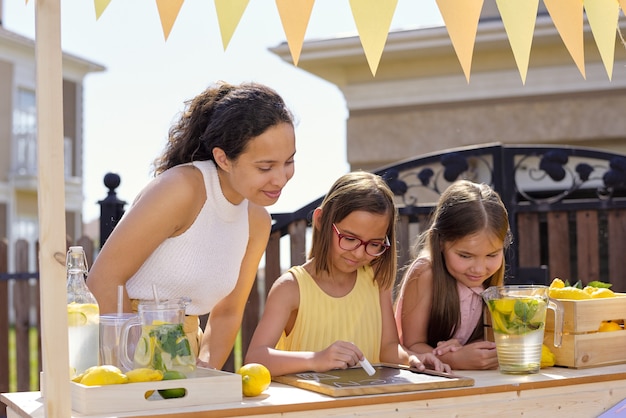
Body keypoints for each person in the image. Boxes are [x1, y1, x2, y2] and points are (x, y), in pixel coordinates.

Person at [87, 81, 296, 370]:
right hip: (117, 347)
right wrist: (134, 368)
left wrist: (205, 371)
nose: (281, 178)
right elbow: (104, 280)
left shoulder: (257, 220)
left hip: (183, 350)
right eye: (265, 167)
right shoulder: (181, 189)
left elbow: (227, 312)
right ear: (223, 158)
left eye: (289, 162)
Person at [245, 171, 450, 376]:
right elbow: (255, 358)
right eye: (350, 239)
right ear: (321, 220)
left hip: (365, 402)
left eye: (374, 244)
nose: (359, 253)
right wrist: (317, 359)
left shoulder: (376, 281)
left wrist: (412, 358)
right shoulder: (291, 288)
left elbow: (388, 348)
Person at [394, 180, 512, 370]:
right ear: (440, 242)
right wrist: (454, 359)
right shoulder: (425, 273)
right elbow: (411, 344)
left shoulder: (490, 281)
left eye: (492, 254)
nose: (479, 269)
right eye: (465, 256)